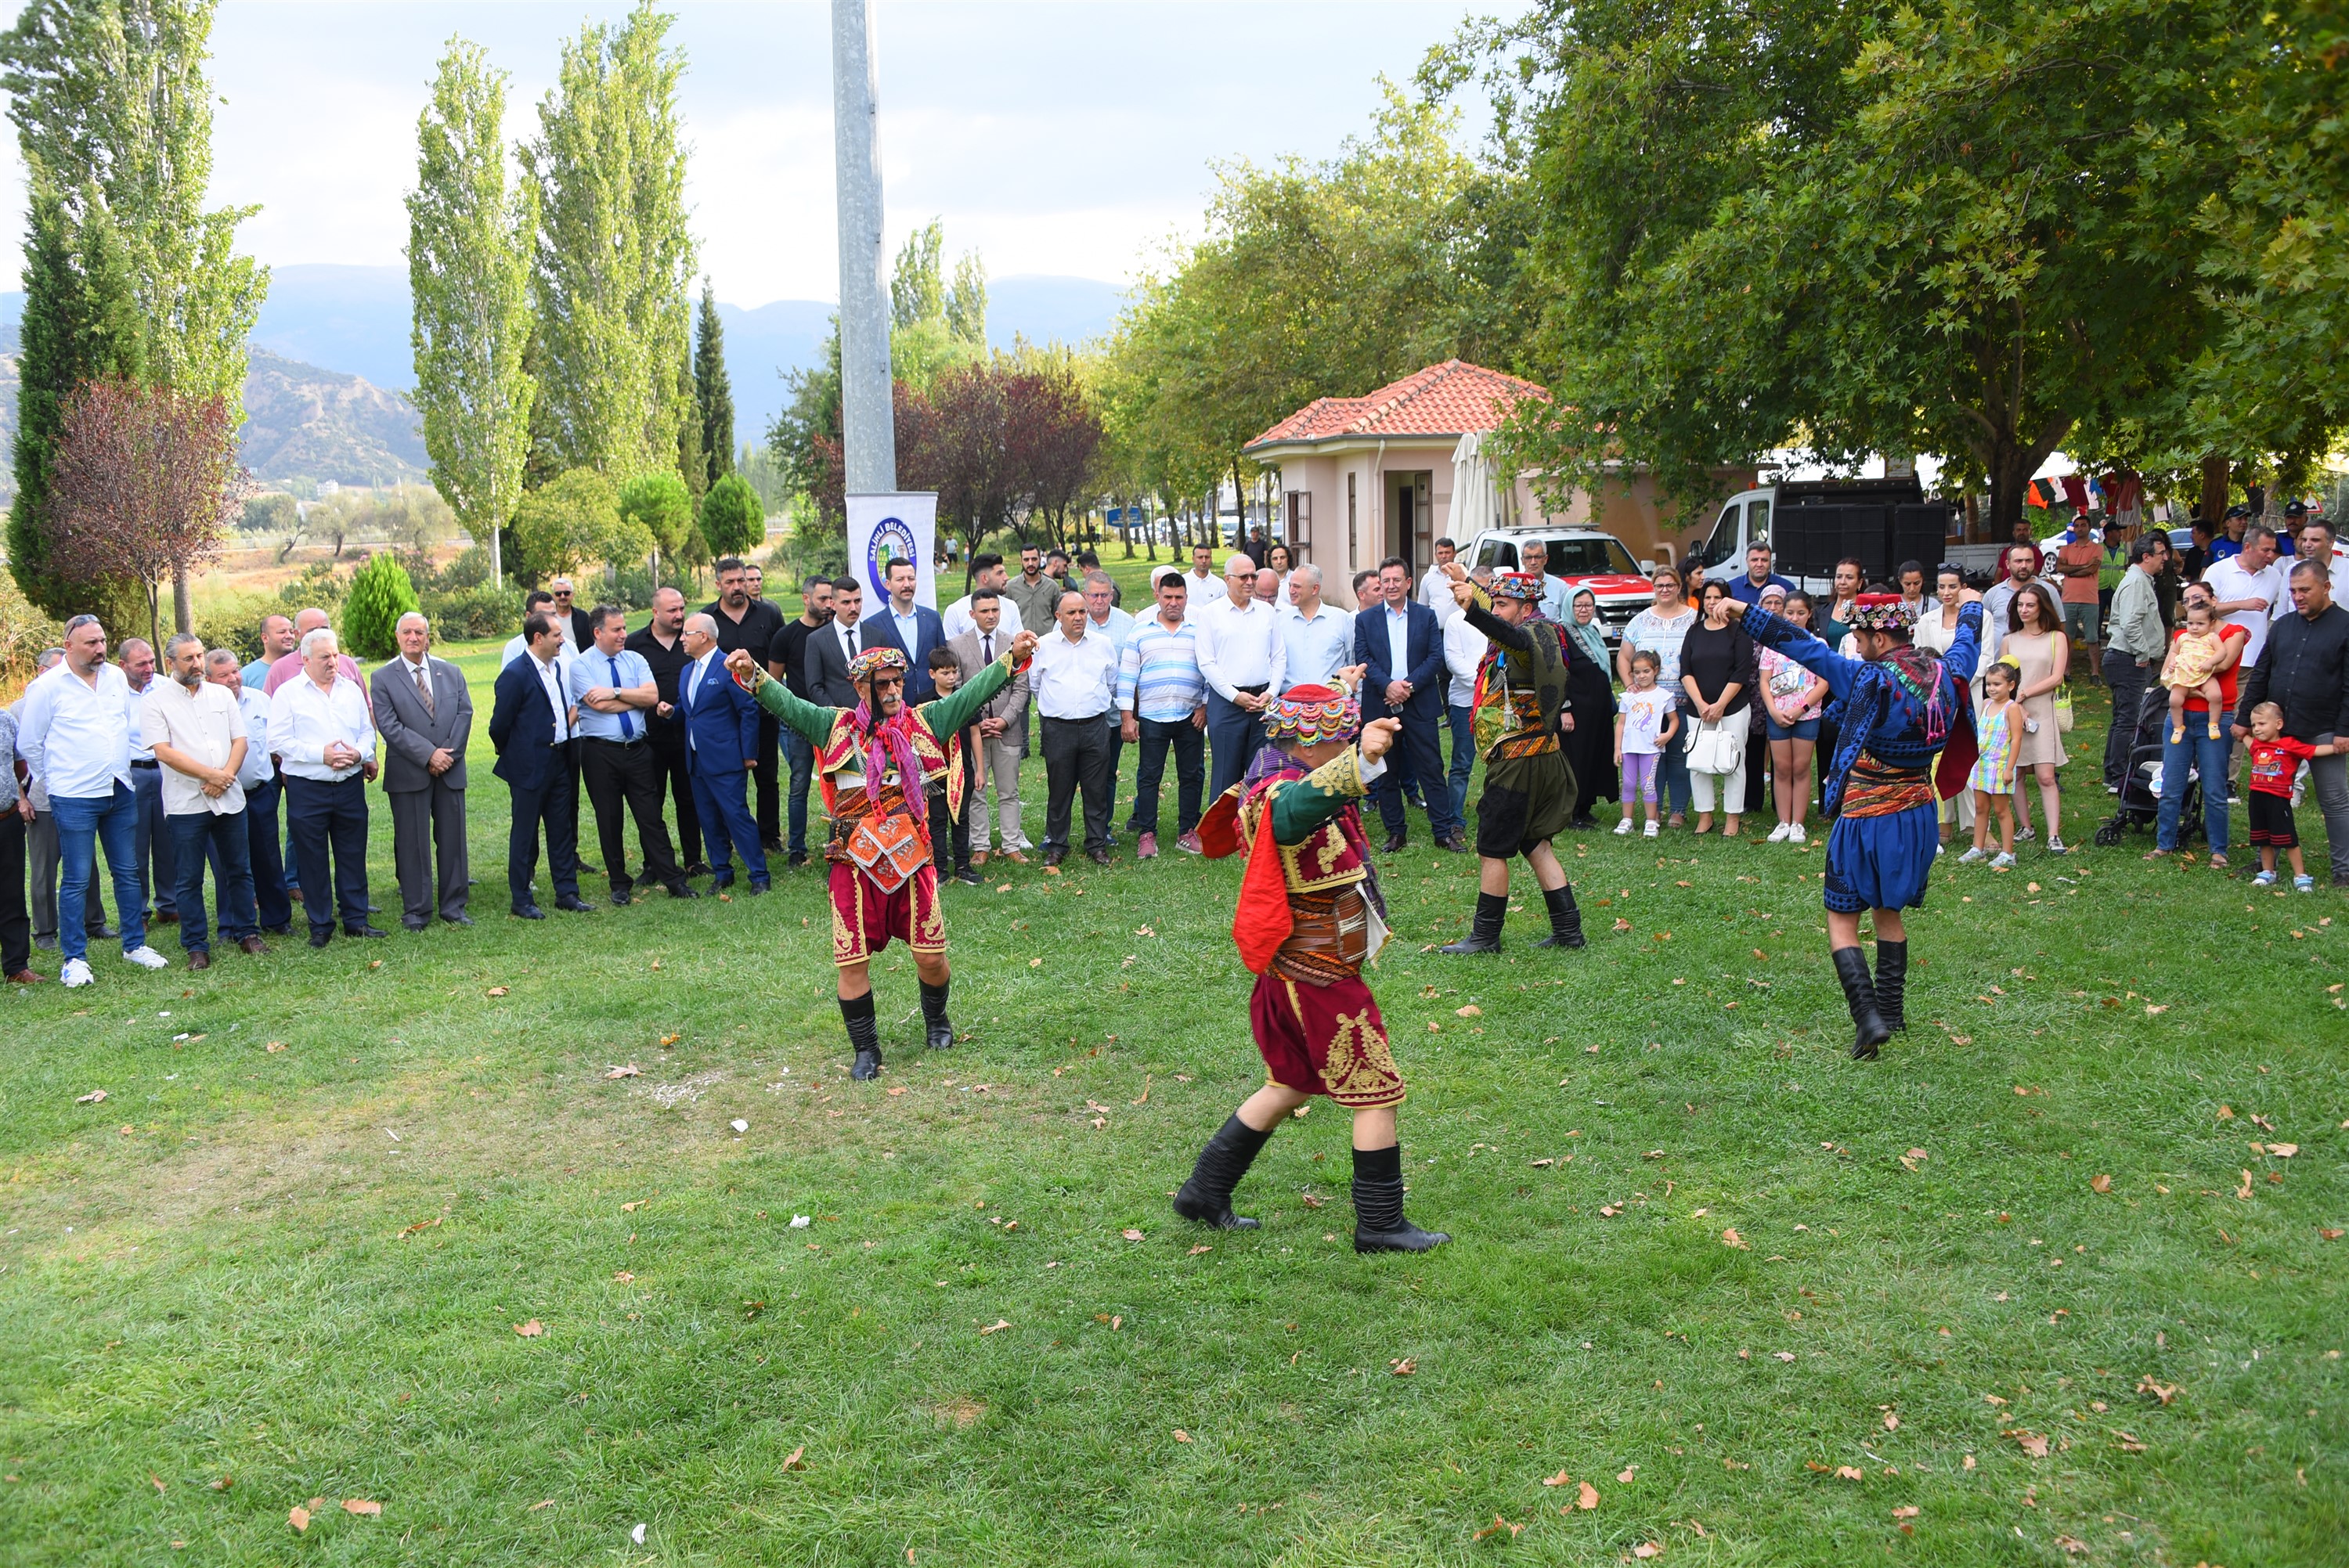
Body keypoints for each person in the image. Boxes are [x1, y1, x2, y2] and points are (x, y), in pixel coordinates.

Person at [1177, 683, 1446, 1253]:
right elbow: (1297, 811)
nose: (1347, 741)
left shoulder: (1276, 770)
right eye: (1339, 737)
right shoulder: (1280, 792)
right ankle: (1380, 1224)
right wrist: (1361, 759)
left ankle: (1203, 1191)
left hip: (1290, 971)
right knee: (1376, 1093)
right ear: (1307, 743)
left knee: (1290, 1083)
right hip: (1318, 976)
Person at [724, 629, 1040, 1079]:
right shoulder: (834, 727)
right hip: (853, 864)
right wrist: (752, 674)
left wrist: (1012, 657)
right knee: (852, 960)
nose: (894, 691)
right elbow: (787, 704)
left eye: (898, 682)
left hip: (913, 860)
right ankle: (867, 1051)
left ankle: (937, 1020)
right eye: (883, 684)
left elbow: (973, 691)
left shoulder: (926, 722)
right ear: (861, 688)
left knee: (931, 957)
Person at [1737, 591, 1984, 1058]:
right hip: (1917, 815)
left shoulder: (1870, 676)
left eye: (1857, 634)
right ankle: (1892, 1012)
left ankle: (1868, 1018)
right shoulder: (1948, 673)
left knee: (1841, 914)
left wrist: (1743, 613)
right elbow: (1968, 638)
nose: (1853, 642)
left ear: (1877, 635)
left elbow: (1802, 647)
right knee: (1888, 911)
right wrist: (1970, 606)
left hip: (1867, 814)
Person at [1438, 568, 1589, 953]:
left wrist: (1473, 605)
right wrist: (1473, 587)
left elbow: (1506, 632)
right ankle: (1569, 932)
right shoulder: (1542, 629)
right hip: (1541, 755)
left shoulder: (1530, 636)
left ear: (1526, 607)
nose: (1498, 610)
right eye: (1496, 603)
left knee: (1492, 849)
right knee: (1537, 844)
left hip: (1519, 761)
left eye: (1504, 604)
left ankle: (1486, 937)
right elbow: (1501, 621)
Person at [14, 617, 167, 985]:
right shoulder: (47, 687)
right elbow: (30, 743)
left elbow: (124, 726)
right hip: (73, 795)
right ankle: (75, 959)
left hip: (119, 787)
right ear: (68, 645)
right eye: (89, 643)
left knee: (128, 872)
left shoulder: (115, 677)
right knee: (77, 879)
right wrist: (57, 779)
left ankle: (134, 945)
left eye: (101, 641)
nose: (99, 649)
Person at [142, 633, 260, 970]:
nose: (197, 663)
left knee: (239, 869)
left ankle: (247, 933)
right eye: (188, 658)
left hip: (229, 796)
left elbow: (241, 740)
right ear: (171, 663)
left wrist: (225, 775)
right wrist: (210, 775)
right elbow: (163, 751)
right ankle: (196, 946)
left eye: (199, 655)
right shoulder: (155, 702)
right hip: (186, 803)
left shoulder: (222, 694)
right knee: (189, 878)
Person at [2235, 557, 2349, 886]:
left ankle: (2343, 870)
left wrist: (2344, 731)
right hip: (2277, 729)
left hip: (2324, 727)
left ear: (2326, 588)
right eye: (2293, 591)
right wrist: (2245, 720)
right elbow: (2261, 673)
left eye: (2305, 590)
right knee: (2268, 795)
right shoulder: (2282, 625)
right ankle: (2265, 864)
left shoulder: (2344, 625)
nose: (2298, 596)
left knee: (2334, 800)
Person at [270, 627, 386, 947]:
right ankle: (320, 925)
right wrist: (320, 755)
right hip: (308, 788)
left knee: (352, 854)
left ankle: (356, 920)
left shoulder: (350, 690)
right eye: (325, 657)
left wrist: (360, 753)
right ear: (305, 659)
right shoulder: (288, 693)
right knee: (312, 859)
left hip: (349, 785)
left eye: (335, 655)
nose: (333, 662)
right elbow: (277, 741)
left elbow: (367, 731)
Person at [572, 604, 692, 905]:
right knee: (609, 818)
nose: (624, 634)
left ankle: (673, 879)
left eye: (624, 628)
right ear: (598, 632)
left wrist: (613, 692)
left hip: (638, 750)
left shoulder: (635, 659)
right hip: (601, 752)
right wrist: (633, 698)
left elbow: (652, 697)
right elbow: (596, 705)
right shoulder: (581, 665)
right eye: (616, 630)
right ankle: (619, 884)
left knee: (651, 816)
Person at [370, 611, 473, 931]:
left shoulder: (451, 672)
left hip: (450, 769)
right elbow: (389, 726)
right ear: (398, 637)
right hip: (409, 772)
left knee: (453, 840)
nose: (414, 637)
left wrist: (447, 755)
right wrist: (429, 755)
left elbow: (464, 713)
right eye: (407, 632)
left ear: (428, 636)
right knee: (413, 843)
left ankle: (454, 905)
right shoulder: (383, 678)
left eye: (420, 632)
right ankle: (416, 910)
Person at [1355, 556, 1464, 853]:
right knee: (1386, 771)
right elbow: (1363, 657)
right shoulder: (1366, 619)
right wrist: (1388, 686)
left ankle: (1443, 832)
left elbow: (1435, 657)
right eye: (1385, 581)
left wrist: (1408, 686)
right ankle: (1395, 833)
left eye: (1396, 580)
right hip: (1381, 703)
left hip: (1419, 703)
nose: (1390, 586)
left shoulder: (1426, 616)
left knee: (1430, 768)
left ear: (1408, 583)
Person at [488, 612, 592, 920]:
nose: (563, 640)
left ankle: (567, 893)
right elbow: (499, 726)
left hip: (559, 759)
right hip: (528, 766)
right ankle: (521, 899)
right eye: (557, 635)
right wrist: (519, 753)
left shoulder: (556, 667)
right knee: (525, 833)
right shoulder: (515, 674)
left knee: (561, 829)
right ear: (538, 638)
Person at [677, 611, 767, 893]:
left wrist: (748, 753)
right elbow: (690, 711)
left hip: (726, 758)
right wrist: (671, 712)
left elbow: (748, 709)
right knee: (708, 818)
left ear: (703, 636)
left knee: (736, 816)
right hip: (697, 759)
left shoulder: (728, 666)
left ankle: (759, 876)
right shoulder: (687, 670)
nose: (682, 639)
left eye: (686, 634)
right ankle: (722, 871)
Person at [1120, 573, 1207, 859]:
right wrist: (1127, 717)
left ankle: (1187, 830)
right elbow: (1127, 677)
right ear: (1157, 596)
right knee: (1149, 776)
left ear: (1186, 598)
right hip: (1152, 717)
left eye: (1179, 597)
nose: (1173, 603)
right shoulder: (1140, 632)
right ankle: (1147, 834)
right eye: (1167, 597)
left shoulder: (1199, 631)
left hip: (1189, 716)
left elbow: (1210, 670)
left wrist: (1204, 705)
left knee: (1191, 775)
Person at [1030, 591, 1120, 866]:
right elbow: (1035, 684)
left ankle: (1097, 843)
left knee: (1096, 789)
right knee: (1060, 789)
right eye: (1071, 613)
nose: (1078, 617)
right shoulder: (1043, 646)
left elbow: (1111, 682)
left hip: (1095, 726)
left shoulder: (1103, 644)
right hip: (1058, 729)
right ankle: (1057, 845)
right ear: (1059, 616)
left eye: (1082, 611)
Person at [205, 650, 292, 937]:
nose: (233, 679)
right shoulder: (203, 706)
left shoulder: (260, 700)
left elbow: (275, 741)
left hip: (259, 791)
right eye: (224, 675)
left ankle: (277, 919)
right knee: (228, 862)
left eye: (236, 671)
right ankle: (231, 925)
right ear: (208, 679)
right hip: (222, 796)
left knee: (267, 856)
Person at [706, 557, 788, 852]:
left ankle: (769, 836)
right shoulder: (708, 619)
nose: (738, 587)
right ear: (718, 585)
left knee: (767, 777)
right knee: (728, 780)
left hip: (763, 710)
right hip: (725, 716)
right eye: (730, 582)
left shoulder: (768, 613)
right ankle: (729, 837)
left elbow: (780, 656)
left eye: (741, 580)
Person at [945, 588, 1032, 865]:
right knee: (976, 791)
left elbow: (1021, 688)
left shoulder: (1013, 643)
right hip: (974, 732)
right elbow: (956, 689)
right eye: (984, 611)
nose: (991, 615)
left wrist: (1005, 719)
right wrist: (977, 722)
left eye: (995, 610)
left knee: (1009, 791)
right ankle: (980, 845)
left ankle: (1011, 844)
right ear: (972, 614)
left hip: (1008, 731)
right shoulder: (957, 645)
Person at [1196, 552, 1287, 801]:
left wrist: (1271, 692)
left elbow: (1279, 657)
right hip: (1227, 703)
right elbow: (1206, 662)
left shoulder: (1267, 612)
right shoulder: (1210, 614)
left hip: (1263, 703)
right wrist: (1235, 696)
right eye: (1243, 576)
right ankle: (1223, 837)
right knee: (1226, 776)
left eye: (1253, 576)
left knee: (1262, 776)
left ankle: (1257, 834)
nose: (1250, 581)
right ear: (1227, 579)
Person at [627, 587, 705, 875]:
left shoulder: (692, 640)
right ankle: (653, 864)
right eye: (672, 610)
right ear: (655, 612)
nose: (679, 615)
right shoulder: (636, 644)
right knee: (651, 803)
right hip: (650, 738)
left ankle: (694, 860)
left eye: (682, 609)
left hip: (687, 736)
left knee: (689, 800)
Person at [766, 576, 837, 869]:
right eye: (823, 599)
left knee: (841, 784)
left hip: (832, 721)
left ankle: (843, 841)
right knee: (798, 785)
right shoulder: (786, 636)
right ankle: (796, 848)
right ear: (806, 599)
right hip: (798, 725)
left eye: (831, 599)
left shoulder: (836, 634)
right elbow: (774, 683)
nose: (828, 605)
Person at [1619, 564, 1698, 826]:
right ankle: (1656, 810)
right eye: (1660, 586)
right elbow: (1623, 656)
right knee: (1654, 757)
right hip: (1647, 704)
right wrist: (1630, 683)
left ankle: (1678, 809)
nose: (1665, 590)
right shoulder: (1640, 620)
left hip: (1682, 701)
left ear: (1679, 588)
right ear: (1654, 589)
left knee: (1678, 756)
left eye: (1670, 585)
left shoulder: (1693, 618)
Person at [1680, 580, 1758, 837]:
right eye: (1707, 598)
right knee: (1698, 762)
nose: (1712, 602)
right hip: (1699, 709)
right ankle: (1705, 816)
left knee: (1733, 761)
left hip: (1733, 707)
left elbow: (1741, 671)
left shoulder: (1739, 631)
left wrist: (1721, 705)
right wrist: (1702, 704)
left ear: (1727, 600)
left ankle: (1732, 818)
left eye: (1717, 597)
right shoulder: (1694, 632)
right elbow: (1686, 671)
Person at [2240, 701, 2340, 892]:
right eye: (2254, 725)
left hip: (2278, 800)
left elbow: (2315, 751)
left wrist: (2337, 748)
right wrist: (2240, 731)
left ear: (2278, 724)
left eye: (2262, 724)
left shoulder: (2289, 745)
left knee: (2288, 839)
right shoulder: (2257, 746)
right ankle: (2268, 872)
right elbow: (2244, 738)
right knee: (2263, 838)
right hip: (2256, 799)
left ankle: (2300, 875)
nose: (2257, 729)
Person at [2002, 582, 2072, 852]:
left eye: (2030, 605)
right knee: (2016, 772)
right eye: (2020, 605)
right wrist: (2015, 703)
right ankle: (2026, 827)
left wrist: (2025, 694)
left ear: (2042, 607)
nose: (2024, 610)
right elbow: (2003, 678)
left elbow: (2056, 677)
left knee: (2046, 776)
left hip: (2042, 709)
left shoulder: (2057, 638)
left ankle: (2053, 834)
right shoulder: (2010, 639)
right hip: (2015, 711)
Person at [1757, 586, 1829, 844]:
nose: (1794, 617)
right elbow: (1764, 681)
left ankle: (1798, 823)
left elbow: (1823, 683)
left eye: (1800, 612)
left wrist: (1802, 708)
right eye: (1790, 612)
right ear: (1783, 613)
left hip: (1806, 715)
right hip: (1777, 714)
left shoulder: (1817, 645)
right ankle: (1783, 822)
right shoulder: (1772, 645)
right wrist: (1774, 710)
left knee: (1800, 768)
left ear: (1809, 614)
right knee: (1782, 768)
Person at [117, 637, 177, 929]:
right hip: (134, 773)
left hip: (166, 768)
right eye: (141, 664)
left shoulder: (165, 688)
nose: (149, 668)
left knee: (168, 840)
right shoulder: (114, 694)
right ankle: (139, 912)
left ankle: (168, 904)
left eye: (152, 661)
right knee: (136, 845)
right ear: (123, 665)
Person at [2102, 535, 2170, 791]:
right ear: (2146, 557)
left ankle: (2113, 773)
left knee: (2122, 718)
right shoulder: (2136, 583)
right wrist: (2143, 655)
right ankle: (2119, 777)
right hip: (2127, 659)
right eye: (2161, 553)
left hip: (2127, 658)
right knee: (2128, 720)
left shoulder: (2141, 581)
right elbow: (2130, 623)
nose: (2165, 558)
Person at [1081, 571, 1136, 835]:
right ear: (1085, 596)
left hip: (1113, 715)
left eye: (1105, 595)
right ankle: (1060, 831)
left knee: (1107, 773)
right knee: (1071, 776)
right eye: (1094, 595)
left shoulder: (1128, 624)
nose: (1099, 600)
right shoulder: (1071, 621)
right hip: (1077, 715)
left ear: (1112, 596)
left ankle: (1103, 828)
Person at [1958, 658, 2029, 867]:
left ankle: (2008, 852)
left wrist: (2009, 768)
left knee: (2001, 810)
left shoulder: (2011, 708)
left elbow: (2016, 738)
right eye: (1989, 684)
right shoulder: (1987, 704)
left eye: (1997, 684)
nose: (1991, 688)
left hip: (2000, 766)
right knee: (1980, 808)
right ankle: (1977, 847)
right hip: (1981, 764)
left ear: (2011, 685)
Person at [923, 646, 982, 885]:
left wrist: (979, 768)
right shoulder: (923, 702)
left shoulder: (965, 699)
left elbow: (976, 733)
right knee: (936, 819)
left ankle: (963, 865)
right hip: (934, 773)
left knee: (961, 817)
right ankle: (939, 869)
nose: (952, 677)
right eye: (945, 672)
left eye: (954, 672)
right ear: (932, 674)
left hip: (963, 770)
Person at [1559, 588, 1616, 830]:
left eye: (1588, 605)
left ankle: (1585, 807)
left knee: (1594, 757)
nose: (1583, 610)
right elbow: (1558, 672)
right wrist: (1565, 708)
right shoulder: (1560, 633)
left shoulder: (1592, 632)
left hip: (1597, 711)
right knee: (1576, 760)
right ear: (1569, 607)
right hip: (1576, 711)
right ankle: (1570, 813)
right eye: (1578, 606)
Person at [861, 557, 950, 704]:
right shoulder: (873, 625)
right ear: (888, 584)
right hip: (894, 705)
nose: (907, 584)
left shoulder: (932, 618)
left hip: (933, 705)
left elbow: (943, 660)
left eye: (911, 579)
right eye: (900, 579)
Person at [1613, 651, 1676, 838]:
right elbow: (1621, 723)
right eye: (1637, 672)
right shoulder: (1628, 696)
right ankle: (1627, 820)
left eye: (1646, 671)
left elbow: (1674, 720)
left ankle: (1651, 820)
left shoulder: (1664, 696)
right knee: (1629, 784)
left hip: (1650, 749)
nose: (1642, 676)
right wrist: (1618, 748)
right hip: (1630, 748)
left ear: (1655, 670)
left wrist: (1668, 735)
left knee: (1648, 785)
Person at [2206, 524, 2286, 670]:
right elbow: (2203, 612)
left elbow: (2277, 613)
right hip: (2217, 658)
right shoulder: (2218, 570)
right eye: (2265, 550)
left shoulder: (2275, 576)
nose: (2271, 555)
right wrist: (2241, 605)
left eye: (2273, 551)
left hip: (2256, 659)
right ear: (2247, 547)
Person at [1441, 591, 1489, 827]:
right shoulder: (1455, 620)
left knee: (1500, 763)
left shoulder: (1496, 620)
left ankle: (1496, 813)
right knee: (1461, 763)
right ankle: (1455, 819)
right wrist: (1483, 684)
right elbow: (1453, 660)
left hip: (1497, 702)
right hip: (1465, 702)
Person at [2161, 601, 2231, 743]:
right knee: (2174, 700)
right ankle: (2178, 727)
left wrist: (2210, 662)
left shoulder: (2212, 638)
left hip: (2204, 673)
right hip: (2184, 675)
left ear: (2211, 624)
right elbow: (2174, 651)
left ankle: (2213, 724)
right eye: (2190, 623)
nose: (2194, 628)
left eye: (2200, 624)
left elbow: (2222, 652)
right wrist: (2173, 662)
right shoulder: (2183, 637)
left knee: (2215, 695)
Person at [264, 607, 368, 699]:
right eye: (312, 631)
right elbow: (267, 711)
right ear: (297, 634)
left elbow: (367, 707)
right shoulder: (280, 669)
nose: (320, 635)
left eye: (324, 629)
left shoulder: (347, 664)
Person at [1282, 564, 1355, 687]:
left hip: (1332, 702)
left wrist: (1357, 701)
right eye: (1290, 585)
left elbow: (1353, 663)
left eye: (1297, 587)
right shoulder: (1281, 620)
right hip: (1289, 702)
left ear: (1315, 589)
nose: (1291, 591)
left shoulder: (1341, 619)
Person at [803, 575, 868, 708]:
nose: (853, 608)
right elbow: (815, 687)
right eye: (846, 602)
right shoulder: (816, 640)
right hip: (836, 721)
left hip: (875, 721)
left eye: (857, 601)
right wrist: (836, 716)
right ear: (833, 604)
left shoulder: (877, 636)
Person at [0, 698, 30, 984]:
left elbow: (20, 767)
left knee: (11, 895)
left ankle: (16, 966)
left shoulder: (5, 720)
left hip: (6, 818)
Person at [2054, 524, 2105, 676]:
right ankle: (2066, 671)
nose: (2080, 528)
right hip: (2068, 599)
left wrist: (2071, 569)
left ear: (2089, 528)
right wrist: (2084, 566)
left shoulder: (2098, 548)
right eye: (2077, 526)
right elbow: (2060, 568)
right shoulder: (2066, 548)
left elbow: (2092, 570)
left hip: (2090, 599)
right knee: (2066, 638)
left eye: (2083, 525)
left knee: (2092, 638)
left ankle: (2094, 673)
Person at [943, 552, 1025, 640]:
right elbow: (950, 651)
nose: (1006, 577)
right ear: (984, 578)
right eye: (999, 573)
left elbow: (1018, 646)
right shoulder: (955, 611)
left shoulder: (1011, 607)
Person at [1005, 542, 1064, 635]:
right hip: (1021, 644)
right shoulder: (1011, 587)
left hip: (1047, 643)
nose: (1030, 563)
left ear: (1040, 560)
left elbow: (1058, 615)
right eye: (1026, 560)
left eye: (1034, 559)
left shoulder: (1052, 586)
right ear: (1021, 561)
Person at [1513, 539, 1572, 622]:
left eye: (1537, 557)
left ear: (1545, 559)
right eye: (1528, 558)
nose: (1533, 562)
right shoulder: (1513, 585)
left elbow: (1567, 620)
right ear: (1522, 561)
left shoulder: (1560, 587)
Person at [499, 591, 561, 667]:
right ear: (529, 616)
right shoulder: (514, 648)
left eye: (553, 614)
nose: (551, 619)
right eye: (543, 615)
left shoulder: (569, 647)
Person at [1727, 542, 1795, 607]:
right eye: (1755, 560)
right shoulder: (1731, 587)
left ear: (1770, 561)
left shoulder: (1787, 587)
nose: (1759, 564)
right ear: (1747, 561)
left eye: (1764, 560)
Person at [1820, 558, 1866, 651]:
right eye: (1839, 577)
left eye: (1849, 577)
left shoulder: (1866, 611)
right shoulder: (1821, 612)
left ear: (1859, 583)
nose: (1842, 582)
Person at [242, 615, 295, 692]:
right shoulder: (247, 675)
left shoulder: (304, 668)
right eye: (282, 632)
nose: (289, 636)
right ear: (265, 638)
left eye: (291, 632)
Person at [547, 577, 592, 654]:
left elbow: (590, 644)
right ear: (553, 596)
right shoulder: (547, 618)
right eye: (558, 594)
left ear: (572, 595)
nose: (563, 597)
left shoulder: (583, 617)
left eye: (566, 593)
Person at [1420, 538, 1460, 618]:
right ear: (1436, 555)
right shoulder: (1428, 578)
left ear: (1455, 554)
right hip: (1435, 629)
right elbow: (1422, 606)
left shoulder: (1463, 576)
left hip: (1458, 629)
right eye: (1440, 553)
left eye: (1447, 552)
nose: (1444, 556)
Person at [1182, 542, 1220, 607]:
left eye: (1207, 557)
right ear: (1193, 559)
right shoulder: (1183, 581)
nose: (1204, 561)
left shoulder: (1220, 585)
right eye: (1200, 557)